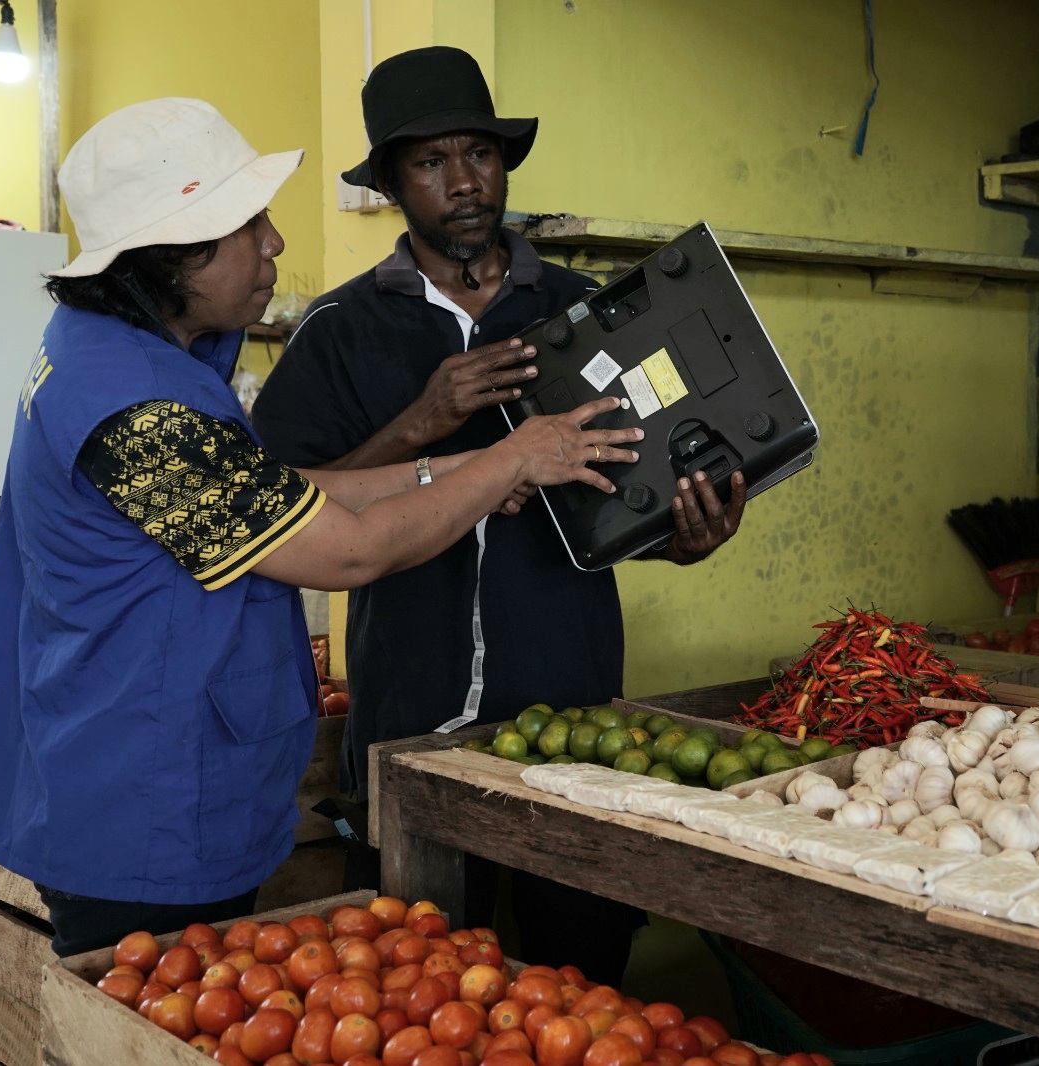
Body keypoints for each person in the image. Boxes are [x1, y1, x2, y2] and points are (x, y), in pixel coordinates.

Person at [0, 97, 644, 957]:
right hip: (141, 804)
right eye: (250, 225)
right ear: (172, 257)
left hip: (141, 770)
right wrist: (512, 459)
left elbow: (277, 491)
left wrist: (455, 471)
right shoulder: (137, 412)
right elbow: (346, 552)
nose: (276, 243)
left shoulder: (115, 347)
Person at [250, 47, 745, 983]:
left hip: (572, 713)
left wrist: (683, 537)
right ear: (394, 184)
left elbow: (625, 488)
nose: (464, 181)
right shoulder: (341, 331)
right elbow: (285, 512)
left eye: (477, 153)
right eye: (431, 163)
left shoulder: (583, 314)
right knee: (413, 982)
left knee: (584, 981)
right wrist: (421, 422)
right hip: (407, 713)